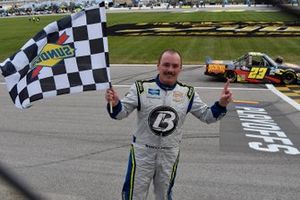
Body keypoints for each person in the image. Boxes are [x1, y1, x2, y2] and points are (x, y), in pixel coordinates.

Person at [105, 49, 232, 200]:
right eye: (166, 65)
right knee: (133, 195)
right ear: (158, 66)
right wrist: (115, 103)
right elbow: (119, 114)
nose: (170, 70)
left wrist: (222, 104)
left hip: (169, 154)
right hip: (142, 153)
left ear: (180, 68)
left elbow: (208, 116)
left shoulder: (187, 93)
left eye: (174, 66)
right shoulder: (141, 88)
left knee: (164, 195)